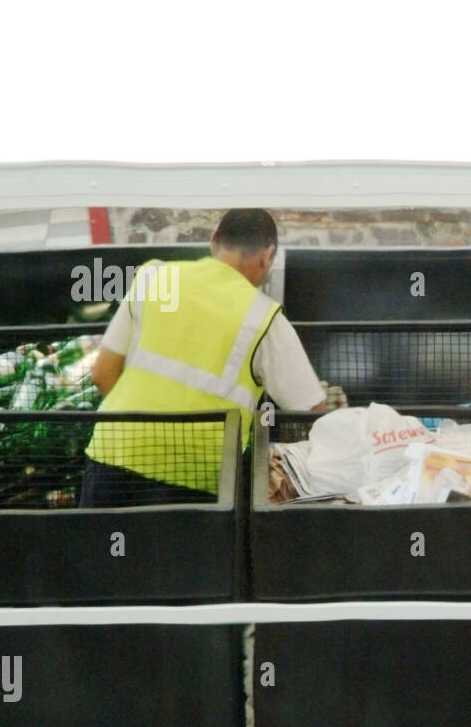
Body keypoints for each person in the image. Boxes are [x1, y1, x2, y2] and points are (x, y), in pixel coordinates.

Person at [81, 209, 327, 507]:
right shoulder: (263, 317)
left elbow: (102, 374)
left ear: (213, 240)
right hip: (199, 484)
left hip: (114, 459)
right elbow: (313, 414)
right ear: (267, 255)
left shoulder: (155, 277)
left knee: (105, 552)